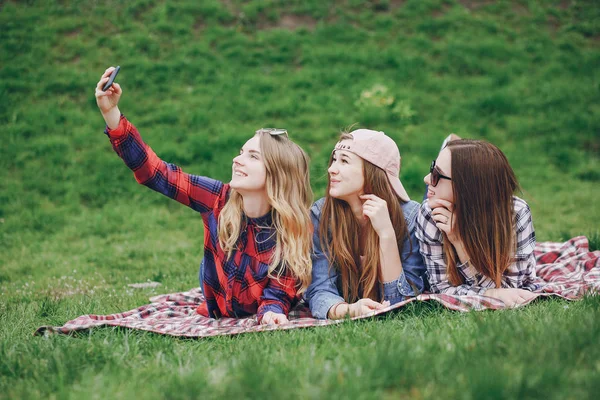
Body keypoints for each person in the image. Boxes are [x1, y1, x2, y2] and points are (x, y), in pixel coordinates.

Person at [94, 67, 313, 325]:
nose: (236, 160)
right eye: (241, 152)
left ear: (278, 174)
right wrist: (111, 114)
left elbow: (278, 292)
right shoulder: (217, 198)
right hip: (215, 288)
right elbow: (157, 174)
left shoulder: (293, 228)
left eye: (252, 156)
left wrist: (270, 313)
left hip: (247, 295)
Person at [305, 129, 426, 319]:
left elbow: (403, 303)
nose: (331, 169)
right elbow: (319, 290)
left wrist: (386, 234)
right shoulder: (322, 215)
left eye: (344, 161)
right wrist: (350, 310)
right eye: (334, 159)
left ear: (372, 171)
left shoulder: (409, 216)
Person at [416, 139, 545, 307]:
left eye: (436, 176)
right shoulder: (430, 213)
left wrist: (459, 241)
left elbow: (509, 289)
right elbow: (441, 289)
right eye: (432, 169)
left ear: (466, 186)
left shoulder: (515, 213)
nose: (426, 179)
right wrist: (490, 293)